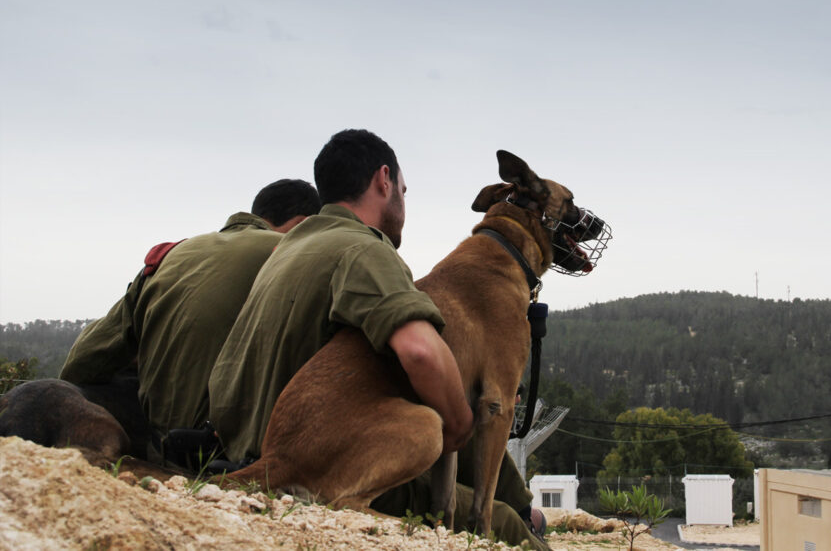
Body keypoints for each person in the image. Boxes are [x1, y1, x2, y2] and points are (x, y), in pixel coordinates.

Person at [208, 129, 546, 549]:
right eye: (403, 189)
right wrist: (456, 426)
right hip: (323, 460)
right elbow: (421, 353)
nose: (404, 201)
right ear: (384, 181)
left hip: (270, 447)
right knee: (509, 522)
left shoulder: (285, 250)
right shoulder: (366, 251)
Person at [60, 179, 321, 463]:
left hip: (155, 443)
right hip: (229, 454)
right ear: (302, 224)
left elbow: (83, 360)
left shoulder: (172, 255)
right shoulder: (293, 255)